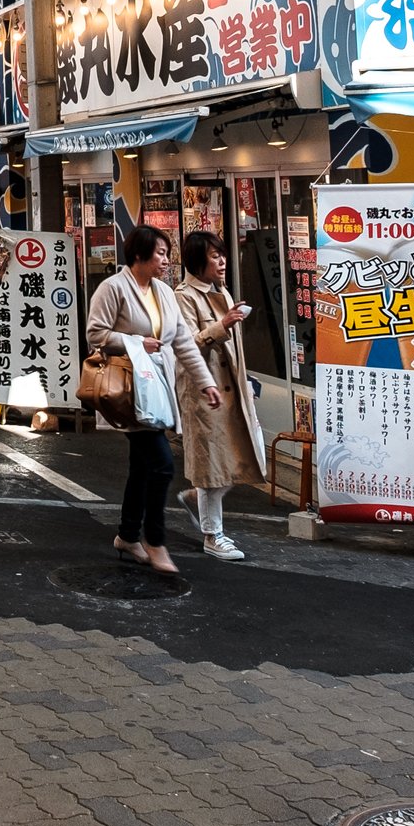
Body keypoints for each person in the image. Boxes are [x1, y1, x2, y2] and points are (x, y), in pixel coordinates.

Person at [85, 226, 218, 577]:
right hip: (130, 392)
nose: (166, 260)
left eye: (166, 253)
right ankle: (155, 541)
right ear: (139, 255)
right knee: (162, 465)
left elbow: (183, 342)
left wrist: (206, 383)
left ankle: (128, 536)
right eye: (160, 253)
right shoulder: (113, 288)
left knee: (143, 467)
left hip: (157, 388)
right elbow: (95, 333)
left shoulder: (164, 292)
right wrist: (134, 342)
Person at [175, 230, 267, 562]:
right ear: (197, 261)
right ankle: (213, 535)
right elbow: (186, 345)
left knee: (251, 453)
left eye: (223, 255)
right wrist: (223, 325)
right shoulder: (183, 296)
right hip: (204, 391)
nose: (223, 262)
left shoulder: (222, 291)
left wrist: (246, 384)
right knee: (212, 463)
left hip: (232, 388)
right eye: (215, 257)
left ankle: (194, 497)